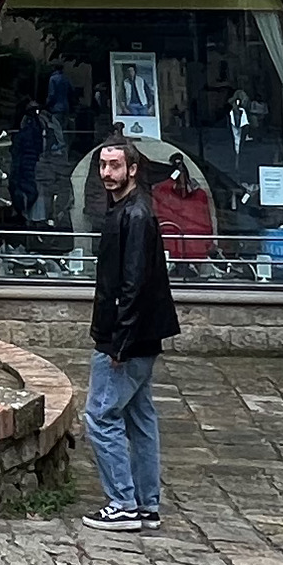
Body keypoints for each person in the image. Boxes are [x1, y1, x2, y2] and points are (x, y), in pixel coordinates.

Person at [80, 136, 183, 529]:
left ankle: (122, 503)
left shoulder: (136, 216)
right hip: (139, 334)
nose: (107, 173)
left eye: (115, 167)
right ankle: (145, 504)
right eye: (103, 166)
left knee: (101, 416)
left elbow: (133, 285)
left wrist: (118, 342)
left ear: (133, 170)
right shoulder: (127, 210)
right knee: (140, 418)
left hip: (126, 337)